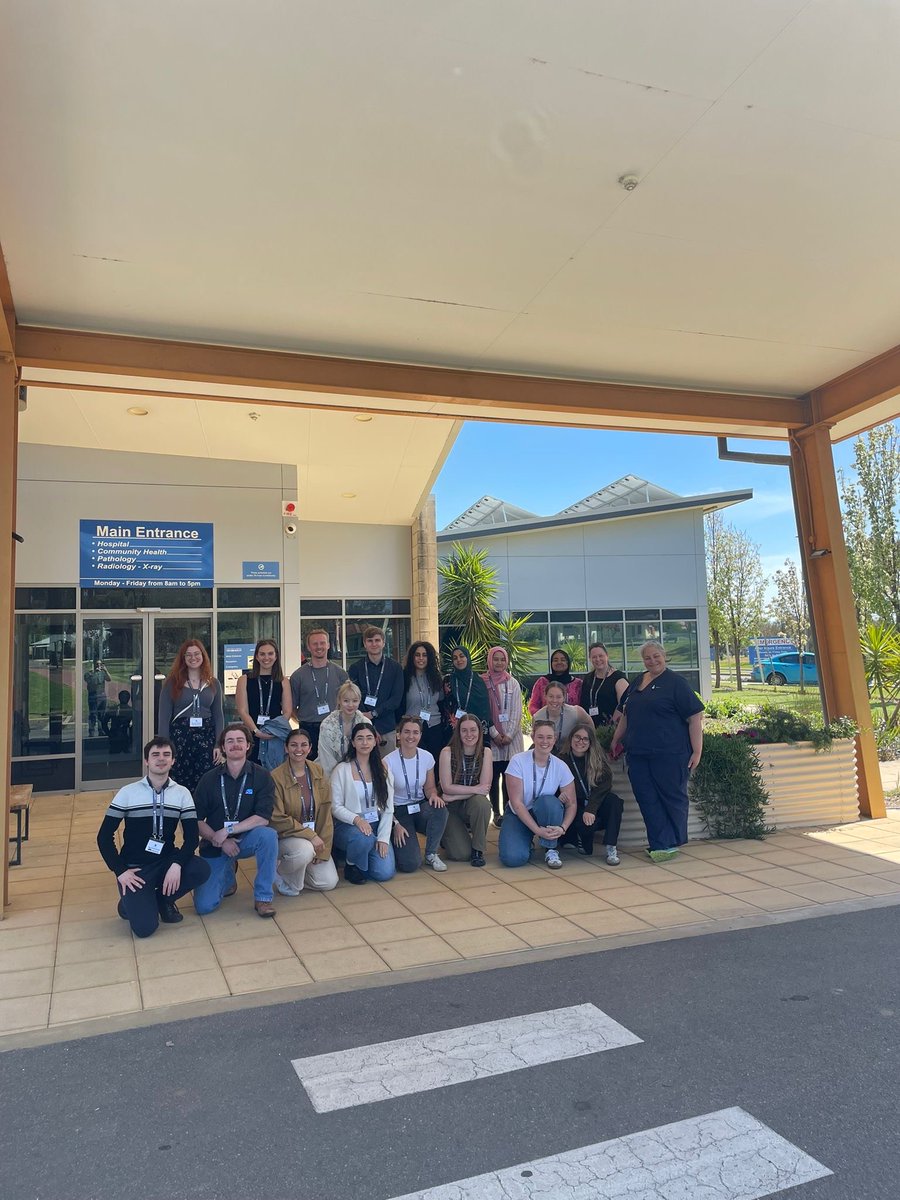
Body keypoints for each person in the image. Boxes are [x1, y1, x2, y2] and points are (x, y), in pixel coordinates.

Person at [96, 736, 211, 936]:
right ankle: (128, 903)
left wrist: (176, 864)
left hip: (166, 861)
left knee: (200, 868)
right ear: (146, 761)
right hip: (135, 868)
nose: (161, 759)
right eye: (155, 755)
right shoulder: (128, 792)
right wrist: (120, 871)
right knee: (144, 929)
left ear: (173, 760)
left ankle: (162, 900)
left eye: (166, 754)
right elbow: (104, 837)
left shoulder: (182, 793)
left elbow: (192, 838)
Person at [610, 640, 704, 862]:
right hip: (638, 753)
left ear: (664, 655)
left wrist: (697, 751)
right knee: (647, 798)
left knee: (671, 797)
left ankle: (670, 842)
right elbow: (626, 714)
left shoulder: (676, 683)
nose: (652, 661)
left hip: (670, 754)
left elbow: (695, 719)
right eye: (647, 657)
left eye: (656, 656)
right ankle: (659, 844)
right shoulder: (638, 681)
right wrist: (616, 739)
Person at [192, 723, 279, 917]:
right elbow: (195, 820)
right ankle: (228, 874)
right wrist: (219, 838)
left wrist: (229, 831)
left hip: (247, 839)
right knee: (204, 906)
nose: (235, 745)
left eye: (240, 740)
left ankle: (263, 898)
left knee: (268, 836)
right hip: (215, 843)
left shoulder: (262, 776)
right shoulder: (208, 779)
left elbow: (263, 818)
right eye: (229, 741)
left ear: (248, 745)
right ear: (223, 747)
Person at [499, 720, 577, 870]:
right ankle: (526, 838)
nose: (545, 741)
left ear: (554, 739)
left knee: (550, 803)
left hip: (542, 811)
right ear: (533, 737)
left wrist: (563, 827)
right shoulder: (518, 761)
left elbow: (572, 803)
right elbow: (517, 803)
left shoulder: (560, 766)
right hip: (518, 814)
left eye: (549, 737)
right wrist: (536, 830)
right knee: (513, 859)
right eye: (540, 737)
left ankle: (551, 848)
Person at [269, 728, 339, 895]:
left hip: (314, 837)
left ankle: (297, 869)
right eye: (293, 745)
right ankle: (277, 872)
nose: (298, 749)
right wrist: (310, 836)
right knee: (305, 851)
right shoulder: (275, 777)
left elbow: (326, 811)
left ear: (310, 748)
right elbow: (277, 818)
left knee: (328, 882)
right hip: (287, 837)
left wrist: (324, 849)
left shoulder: (318, 771)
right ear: (286, 748)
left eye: (303, 745)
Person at [330, 722, 396, 884]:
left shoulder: (383, 768)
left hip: (375, 825)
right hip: (349, 826)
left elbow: (388, 807)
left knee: (384, 873)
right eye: (360, 739)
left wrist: (383, 838)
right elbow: (335, 806)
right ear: (353, 743)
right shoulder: (342, 769)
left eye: (369, 738)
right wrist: (357, 820)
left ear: (375, 741)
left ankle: (362, 855)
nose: (365, 743)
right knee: (363, 839)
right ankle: (351, 864)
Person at [157, 640, 225, 793]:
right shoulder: (172, 683)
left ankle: (203, 815)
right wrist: (166, 748)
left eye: (196, 654)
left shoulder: (213, 683)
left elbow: (218, 716)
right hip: (181, 737)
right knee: (181, 780)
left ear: (203, 656)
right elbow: (164, 717)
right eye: (188, 655)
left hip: (206, 738)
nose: (193, 658)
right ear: (183, 658)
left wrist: (218, 744)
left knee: (207, 780)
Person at [385, 717, 448, 873]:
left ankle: (431, 853)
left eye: (415, 732)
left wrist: (433, 795)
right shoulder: (388, 761)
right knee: (410, 864)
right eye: (406, 732)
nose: (411, 736)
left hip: (419, 806)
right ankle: (394, 837)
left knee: (440, 809)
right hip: (398, 811)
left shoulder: (427, 757)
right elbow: (383, 800)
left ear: (420, 735)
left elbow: (430, 788)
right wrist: (395, 823)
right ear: (398, 735)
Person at [559, 722, 623, 864]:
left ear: (590, 742)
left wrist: (591, 808)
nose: (580, 742)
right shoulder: (562, 760)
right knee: (586, 850)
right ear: (570, 739)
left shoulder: (598, 760)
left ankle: (611, 846)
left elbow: (604, 786)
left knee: (614, 802)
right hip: (576, 805)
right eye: (577, 737)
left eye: (585, 739)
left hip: (595, 803)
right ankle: (580, 837)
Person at [438, 715, 492, 867]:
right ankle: (446, 836)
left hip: (466, 802)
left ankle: (478, 850)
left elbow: (485, 788)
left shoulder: (486, 752)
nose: (469, 735)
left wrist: (454, 796)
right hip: (449, 808)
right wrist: (475, 789)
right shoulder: (447, 752)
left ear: (480, 732)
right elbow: (446, 787)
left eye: (473, 730)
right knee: (461, 855)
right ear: (458, 732)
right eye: (464, 731)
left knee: (482, 804)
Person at [289, 629, 349, 759]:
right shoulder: (297, 676)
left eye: (322, 643)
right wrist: (304, 719)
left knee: (335, 766)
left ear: (328, 645)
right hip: (308, 729)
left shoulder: (341, 674)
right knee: (310, 767)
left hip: (335, 728)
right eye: (315, 644)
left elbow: (348, 702)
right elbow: (291, 707)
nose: (319, 647)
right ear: (309, 647)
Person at [481, 645, 524, 827]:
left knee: (510, 778)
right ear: (490, 660)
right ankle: (496, 813)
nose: (499, 663)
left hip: (511, 741)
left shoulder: (512, 682)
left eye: (502, 659)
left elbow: (517, 711)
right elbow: (483, 710)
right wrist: (495, 734)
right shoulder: (482, 682)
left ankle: (508, 810)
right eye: (495, 659)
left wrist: (509, 734)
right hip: (492, 738)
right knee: (492, 777)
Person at [348, 626, 405, 756]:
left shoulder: (395, 668)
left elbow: (396, 699)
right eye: (370, 641)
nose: (374, 644)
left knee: (385, 770)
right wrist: (366, 720)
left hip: (386, 728)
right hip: (361, 727)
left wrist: (373, 714)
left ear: (383, 643)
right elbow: (353, 697)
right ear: (364, 644)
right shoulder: (355, 668)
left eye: (377, 640)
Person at [235, 639, 293, 764]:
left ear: (276, 656)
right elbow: (242, 710)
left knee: (275, 773)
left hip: (275, 736)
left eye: (270, 654)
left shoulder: (283, 681)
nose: (266, 657)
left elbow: (287, 711)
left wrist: (274, 730)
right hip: (251, 734)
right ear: (256, 656)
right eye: (262, 654)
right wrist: (256, 731)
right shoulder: (244, 680)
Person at [402, 641, 450, 760]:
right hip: (412, 727)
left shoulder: (436, 677)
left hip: (434, 726)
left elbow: (441, 699)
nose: (421, 658)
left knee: (434, 763)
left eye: (425, 655)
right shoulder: (404, 677)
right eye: (417, 655)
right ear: (412, 657)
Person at [316, 681, 374, 777]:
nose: (350, 705)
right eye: (346, 701)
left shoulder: (366, 723)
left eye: (355, 701)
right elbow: (326, 759)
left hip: (359, 774)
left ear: (360, 701)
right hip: (330, 774)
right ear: (339, 700)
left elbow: (368, 755)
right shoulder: (327, 725)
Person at [533, 681, 592, 751]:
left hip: (571, 753)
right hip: (547, 753)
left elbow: (589, 723)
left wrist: (590, 743)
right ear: (545, 696)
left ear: (564, 697)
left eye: (558, 697)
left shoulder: (576, 712)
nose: (554, 700)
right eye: (551, 696)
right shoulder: (538, 717)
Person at [581, 642, 629, 728]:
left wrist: (612, 728)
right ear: (590, 659)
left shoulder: (618, 678)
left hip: (610, 730)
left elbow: (624, 708)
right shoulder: (588, 678)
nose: (598, 659)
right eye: (594, 657)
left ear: (607, 656)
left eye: (601, 656)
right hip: (590, 728)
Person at [446, 646, 490, 734]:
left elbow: (484, 707)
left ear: (467, 658)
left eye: (462, 656)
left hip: (475, 729)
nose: (459, 660)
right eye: (455, 658)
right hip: (454, 729)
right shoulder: (449, 681)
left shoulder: (478, 681)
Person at [527, 648, 583, 716]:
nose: (559, 662)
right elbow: (533, 706)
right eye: (555, 660)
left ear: (567, 663)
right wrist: (542, 717)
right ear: (551, 663)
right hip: (546, 723)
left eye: (563, 660)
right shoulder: (542, 682)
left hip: (572, 724)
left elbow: (583, 706)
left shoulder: (578, 684)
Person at [84, 658, 111, 735]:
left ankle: (101, 729)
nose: (98, 665)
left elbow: (109, 679)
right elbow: (87, 680)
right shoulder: (89, 673)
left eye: (100, 664)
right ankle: (91, 730)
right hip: (93, 695)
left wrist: (106, 670)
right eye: (97, 664)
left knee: (101, 714)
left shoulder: (102, 672)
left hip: (102, 695)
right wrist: (92, 672)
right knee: (93, 714)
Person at [107, 689, 134, 755]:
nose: (124, 699)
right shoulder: (113, 709)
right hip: (115, 736)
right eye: (123, 697)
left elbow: (133, 726)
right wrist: (109, 733)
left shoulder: (131, 711)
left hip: (124, 736)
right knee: (114, 755)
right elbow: (104, 722)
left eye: (125, 697)